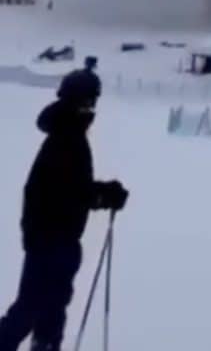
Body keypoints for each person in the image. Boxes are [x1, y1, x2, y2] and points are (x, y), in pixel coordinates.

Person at [0, 75, 127, 351]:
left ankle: (45, 346)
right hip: (50, 239)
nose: (91, 109)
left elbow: (69, 188)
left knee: (52, 307)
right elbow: (67, 193)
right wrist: (103, 195)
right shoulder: (66, 139)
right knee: (32, 307)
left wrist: (103, 192)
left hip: (57, 238)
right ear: (75, 101)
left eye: (93, 102)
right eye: (88, 101)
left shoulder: (68, 136)